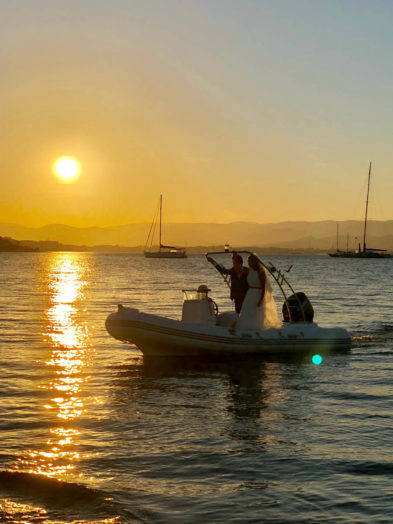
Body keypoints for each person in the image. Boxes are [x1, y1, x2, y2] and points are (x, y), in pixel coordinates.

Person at [237, 254, 281, 330]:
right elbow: (237, 270)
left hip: (257, 293)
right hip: (249, 294)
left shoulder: (261, 272)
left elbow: (263, 287)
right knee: (247, 311)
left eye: (249, 261)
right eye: (248, 261)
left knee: (256, 312)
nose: (248, 263)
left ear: (254, 261)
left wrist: (261, 299)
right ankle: (246, 327)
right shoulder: (249, 271)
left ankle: (256, 328)